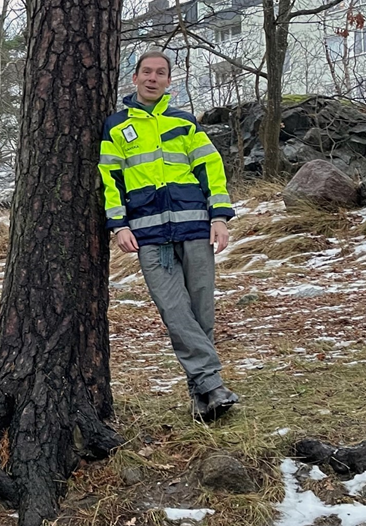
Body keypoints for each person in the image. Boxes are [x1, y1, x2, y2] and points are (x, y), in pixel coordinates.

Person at [98, 50, 239, 421]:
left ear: (168, 81)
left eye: (160, 73)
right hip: (149, 235)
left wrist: (220, 217)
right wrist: (118, 225)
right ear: (135, 77)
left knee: (201, 311)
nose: (152, 78)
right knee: (175, 311)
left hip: (195, 228)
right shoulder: (115, 127)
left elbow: (211, 167)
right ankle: (212, 384)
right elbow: (110, 181)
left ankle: (203, 396)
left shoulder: (185, 122)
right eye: (146, 72)